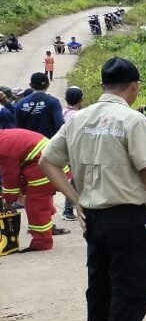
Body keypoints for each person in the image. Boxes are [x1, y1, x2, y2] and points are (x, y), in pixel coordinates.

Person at [38, 56, 146, 321]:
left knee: (101, 285)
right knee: (132, 285)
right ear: (134, 87)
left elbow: (47, 161)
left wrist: (75, 199)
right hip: (127, 217)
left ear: (102, 86)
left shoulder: (78, 119)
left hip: (94, 219)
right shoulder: (132, 120)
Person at [0, 128, 61, 253]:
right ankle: (47, 220)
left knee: (35, 206)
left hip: (43, 167)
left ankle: (42, 243)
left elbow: (10, 176)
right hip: (49, 162)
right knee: (40, 200)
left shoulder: (4, 150)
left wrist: (9, 200)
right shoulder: (4, 137)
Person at [60, 87, 85, 221]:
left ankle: (70, 208)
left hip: (66, 150)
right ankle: (68, 209)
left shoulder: (63, 112)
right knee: (76, 180)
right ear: (81, 99)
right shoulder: (80, 116)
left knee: (76, 179)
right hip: (77, 152)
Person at [15, 73, 64, 138]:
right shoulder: (53, 102)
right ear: (48, 85)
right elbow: (60, 125)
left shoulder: (21, 104)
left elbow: (18, 128)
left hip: (28, 142)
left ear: (30, 85)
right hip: (47, 142)